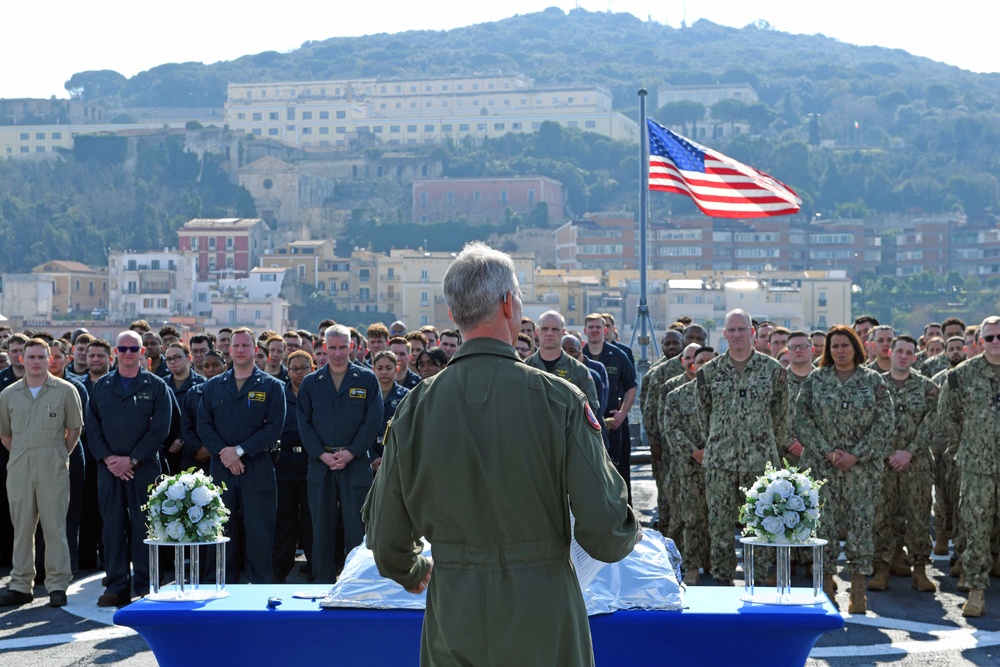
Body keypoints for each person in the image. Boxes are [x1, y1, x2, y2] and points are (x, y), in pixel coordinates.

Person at [363, 242, 638, 666]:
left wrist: (416, 573)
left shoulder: (415, 407)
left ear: (453, 314)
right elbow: (605, 530)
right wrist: (629, 530)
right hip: (543, 609)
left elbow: (385, 541)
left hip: (455, 607)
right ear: (509, 304)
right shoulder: (559, 400)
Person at [796, 324, 894, 614]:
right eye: (834, 346)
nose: (839, 351)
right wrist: (827, 451)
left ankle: (859, 589)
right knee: (823, 527)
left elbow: (884, 423)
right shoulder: (816, 380)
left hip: (862, 471)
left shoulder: (872, 380)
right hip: (822, 466)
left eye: (845, 345)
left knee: (861, 528)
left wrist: (857, 455)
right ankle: (827, 585)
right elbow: (802, 420)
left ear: (856, 348)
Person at [696, 309, 788, 587]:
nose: (737, 335)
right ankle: (724, 582)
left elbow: (782, 417)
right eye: (731, 330)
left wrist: (769, 448)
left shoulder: (773, 370)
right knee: (720, 529)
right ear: (724, 335)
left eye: (742, 329)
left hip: (761, 463)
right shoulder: (708, 372)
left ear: (752, 332)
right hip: (720, 464)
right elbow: (704, 417)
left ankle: (758, 581)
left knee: (761, 525)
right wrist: (719, 443)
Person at [87, 330, 174, 607]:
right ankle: (116, 586)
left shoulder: (156, 385)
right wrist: (109, 459)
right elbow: (92, 426)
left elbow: (160, 429)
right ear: (115, 352)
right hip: (110, 470)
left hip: (144, 469)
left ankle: (146, 585)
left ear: (142, 353)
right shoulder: (102, 386)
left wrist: (132, 459)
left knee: (145, 529)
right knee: (112, 529)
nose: (127, 354)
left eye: (133, 349)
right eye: (122, 349)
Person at [198, 328, 286, 584]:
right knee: (220, 530)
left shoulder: (272, 386)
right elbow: (204, 425)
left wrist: (239, 451)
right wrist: (226, 455)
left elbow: (274, 427)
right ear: (229, 350)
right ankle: (218, 584)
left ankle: (260, 587)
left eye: (245, 345)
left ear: (255, 350)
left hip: (257, 468)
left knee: (259, 532)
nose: (239, 350)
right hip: (222, 470)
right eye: (235, 346)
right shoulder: (213, 386)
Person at [0, 339, 84, 608]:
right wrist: (23, 453)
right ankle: (21, 585)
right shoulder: (8, 394)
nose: (36, 361)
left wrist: (58, 454)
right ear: (22, 360)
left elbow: (74, 430)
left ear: (50, 359)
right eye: (31, 356)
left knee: (54, 526)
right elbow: (5, 434)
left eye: (41, 356)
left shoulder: (65, 391)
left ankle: (57, 585)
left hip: (53, 466)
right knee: (22, 527)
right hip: (20, 466)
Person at [298, 324, 383, 583]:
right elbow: (304, 422)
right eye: (332, 348)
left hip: (354, 464)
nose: (337, 353)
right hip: (321, 464)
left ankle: (358, 582)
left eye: (342, 348)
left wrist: (351, 453)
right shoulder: (312, 382)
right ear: (323, 348)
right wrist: (321, 455)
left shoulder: (367, 379)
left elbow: (373, 420)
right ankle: (322, 580)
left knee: (356, 528)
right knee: (321, 526)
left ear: (353, 348)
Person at [937, 315, 1000, 617]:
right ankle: (975, 590)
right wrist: (960, 447)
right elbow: (948, 414)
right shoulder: (962, 375)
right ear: (979, 342)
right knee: (976, 527)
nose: (995, 342)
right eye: (990, 338)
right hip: (977, 465)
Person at [868, 335, 939, 594]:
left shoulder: (927, 387)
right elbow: (869, 422)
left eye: (909, 353)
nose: (903, 356)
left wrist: (909, 452)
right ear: (890, 352)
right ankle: (882, 568)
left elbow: (932, 422)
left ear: (914, 356)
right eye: (899, 351)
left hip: (917, 464)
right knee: (881, 516)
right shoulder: (875, 385)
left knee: (919, 517)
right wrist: (889, 452)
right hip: (883, 465)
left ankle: (919, 570)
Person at [273, 350, 315, 583]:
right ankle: (280, 569)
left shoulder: (318, 392)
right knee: (285, 519)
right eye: (294, 368)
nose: (299, 373)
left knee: (311, 519)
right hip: (285, 462)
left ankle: (314, 566)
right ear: (287, 371)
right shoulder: (279, 392)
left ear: (313, 367)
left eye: (304, 367)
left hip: (312, 461)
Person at [370, 350, 409, 474]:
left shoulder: (406, 395)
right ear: (373, 369)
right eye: (380, 368)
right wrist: (372, 457)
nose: (384, 372)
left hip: (397, 456)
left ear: (396, 369)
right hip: (370, 457)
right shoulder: (367, 395)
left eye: (388, 368)